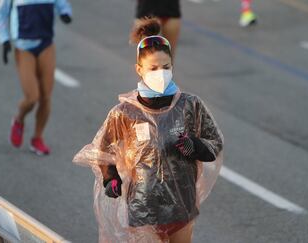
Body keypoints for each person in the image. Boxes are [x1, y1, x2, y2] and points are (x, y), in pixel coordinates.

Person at [73, 18, 223, 243]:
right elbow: (102, 150)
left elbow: (214, 144)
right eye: (153, 68)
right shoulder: (125, 112)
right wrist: (110, 178)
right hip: (143, 209)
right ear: (139, 70)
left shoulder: (190, 105)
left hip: (182, 206)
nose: (160, 73)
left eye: (166, 67)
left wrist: (195, 146)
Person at [0, 0, 72, 155]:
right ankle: (19, 119)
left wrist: (65, 13)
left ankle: (37, 138)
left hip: (46, 44)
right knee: (31, 97)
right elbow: (1, 15)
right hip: (24, 48)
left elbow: (62, 3)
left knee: (45, 97)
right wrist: (4, 39)